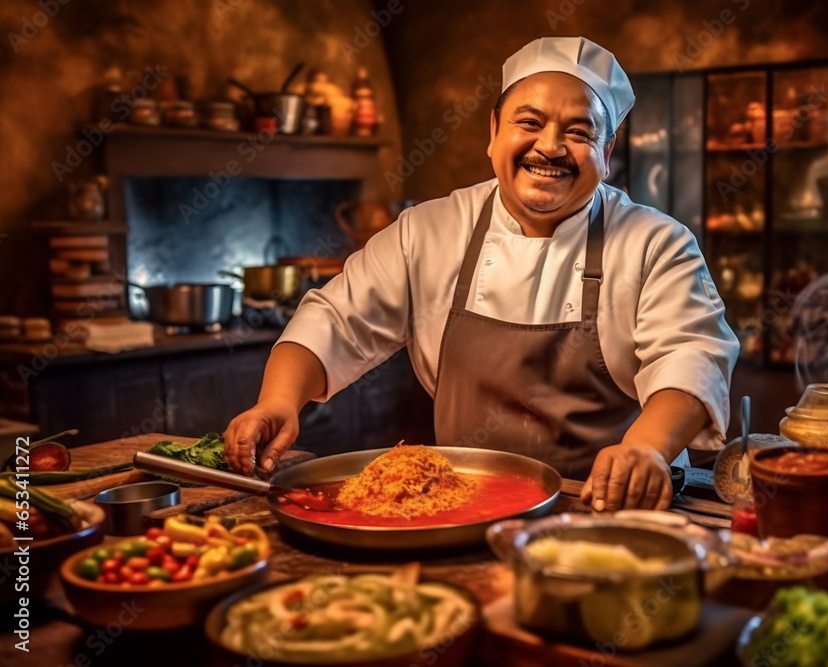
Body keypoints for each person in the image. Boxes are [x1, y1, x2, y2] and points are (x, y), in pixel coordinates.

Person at [224, 37, 739, 511]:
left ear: (605, 155)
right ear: (493, 133)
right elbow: (336, 320)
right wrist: (278, 400)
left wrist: (647, 448)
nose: (551, 147)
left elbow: (692, 355)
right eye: (529, 122)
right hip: (459, 502)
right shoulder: (429, 231)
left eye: (579, 132)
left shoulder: (656, 242)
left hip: (606, 506)